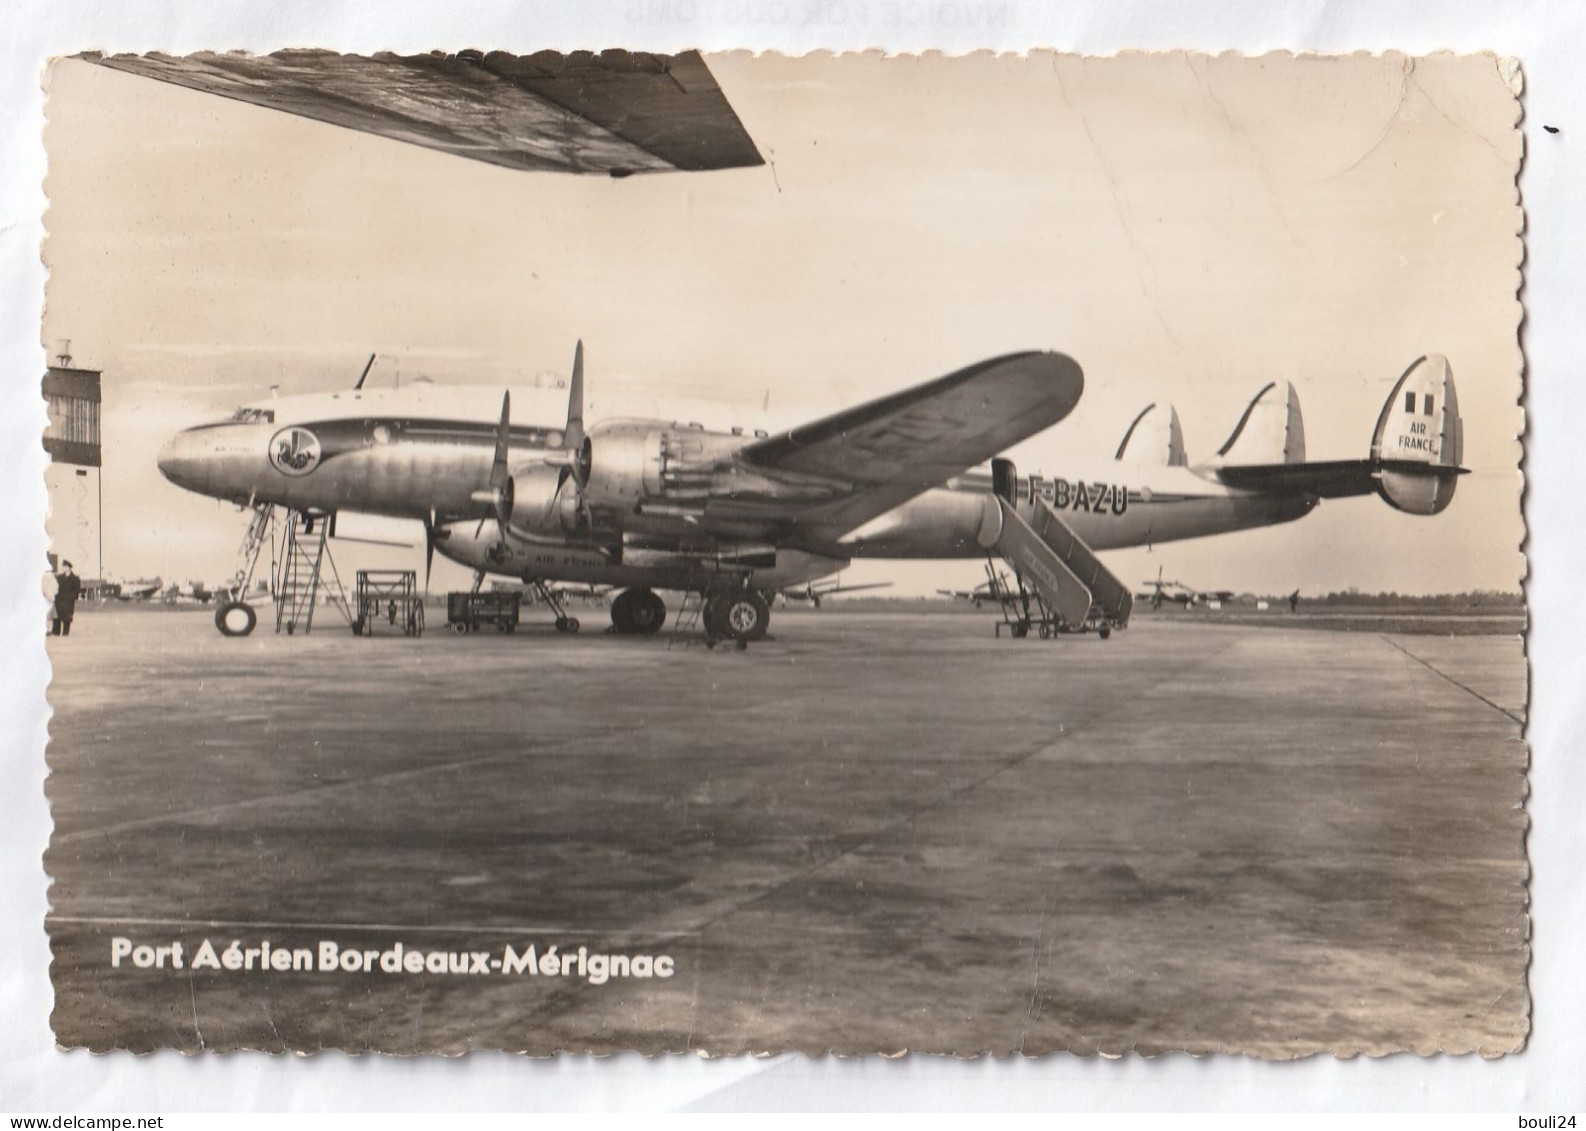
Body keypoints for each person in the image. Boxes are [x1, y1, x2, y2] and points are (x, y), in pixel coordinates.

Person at [52, 560, 82, 636]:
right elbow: (54, 588)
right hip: (58, 600)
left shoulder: (75, 578)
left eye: (64, 566)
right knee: (57, 617)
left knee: (66, 618)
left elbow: (76, 591)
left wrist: (70, 598)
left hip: (68, 602)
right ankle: (55, 633)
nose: (63, 568)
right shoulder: (59, 577)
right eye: (62, 566)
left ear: (69, 567)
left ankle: (65, 634)